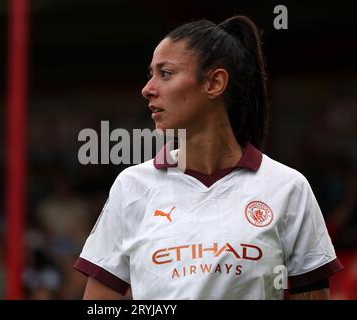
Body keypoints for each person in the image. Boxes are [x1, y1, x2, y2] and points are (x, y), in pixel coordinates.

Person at [74, 15, 343, 299]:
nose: (148, 88)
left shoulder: (288, 188)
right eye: (151, 74)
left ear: (214, 82)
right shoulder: (131, 186)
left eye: (165, 73)